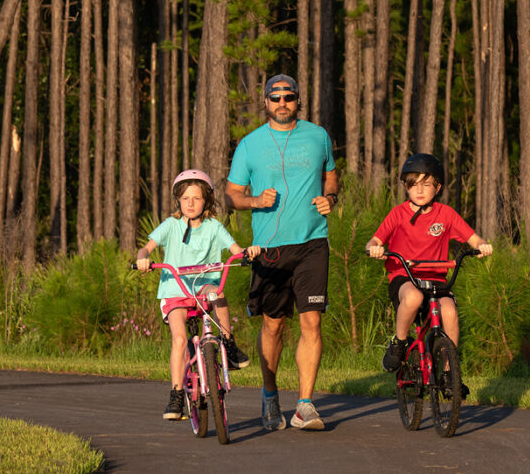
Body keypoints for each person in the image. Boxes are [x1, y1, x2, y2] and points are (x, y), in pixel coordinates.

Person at [225, 74, 338, 431]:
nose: (282, 103)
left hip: (312, 243)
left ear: (298, 100)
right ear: (265, 102)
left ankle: (305, 405)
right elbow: (231, 194)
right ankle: (270, 394)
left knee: (312, 320)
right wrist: (255, 200)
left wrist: (329, 197)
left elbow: (331, 176)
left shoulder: (318, 136)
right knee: (273, 326)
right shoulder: (250, 144)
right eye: (275, 98)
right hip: (270, 249)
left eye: (288, 97)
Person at [136, 169, 260, 421]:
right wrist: (143, 260)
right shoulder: (171, 226)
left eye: (196, 198)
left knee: (217, 294)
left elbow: (236, 249)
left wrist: (248, 252)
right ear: (178, 201)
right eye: (185, 198)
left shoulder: (213, 227)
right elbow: (146, 248)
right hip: (175, 290)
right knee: (180, 339)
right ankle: (176, 394)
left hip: (204, 287)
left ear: (207, 201)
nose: (190, 204)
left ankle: (227, 342)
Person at [365, 153, 492, 397]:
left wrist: (483, 245)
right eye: (413, 184)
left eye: (426, 184)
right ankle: (400, 344)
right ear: (405, 187)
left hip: (436, 279)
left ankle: (449, 373)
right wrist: (375, 248)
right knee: (412, 299)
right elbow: (375, 239)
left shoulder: (445, 214)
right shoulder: (398, 214)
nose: (420, 190)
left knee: (450, 312)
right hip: (405, 276)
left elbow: (473, 238)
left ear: (438, 187)